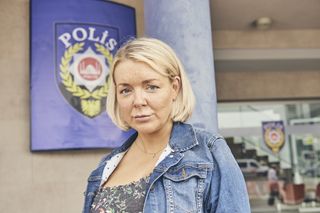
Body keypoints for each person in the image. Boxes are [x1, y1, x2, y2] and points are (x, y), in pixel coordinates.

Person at [83, 37, 250, 213]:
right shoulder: (107, 166)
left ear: (174, 88)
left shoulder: (209, 152)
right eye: (126, 90)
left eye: (151, 87)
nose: (138, 101)